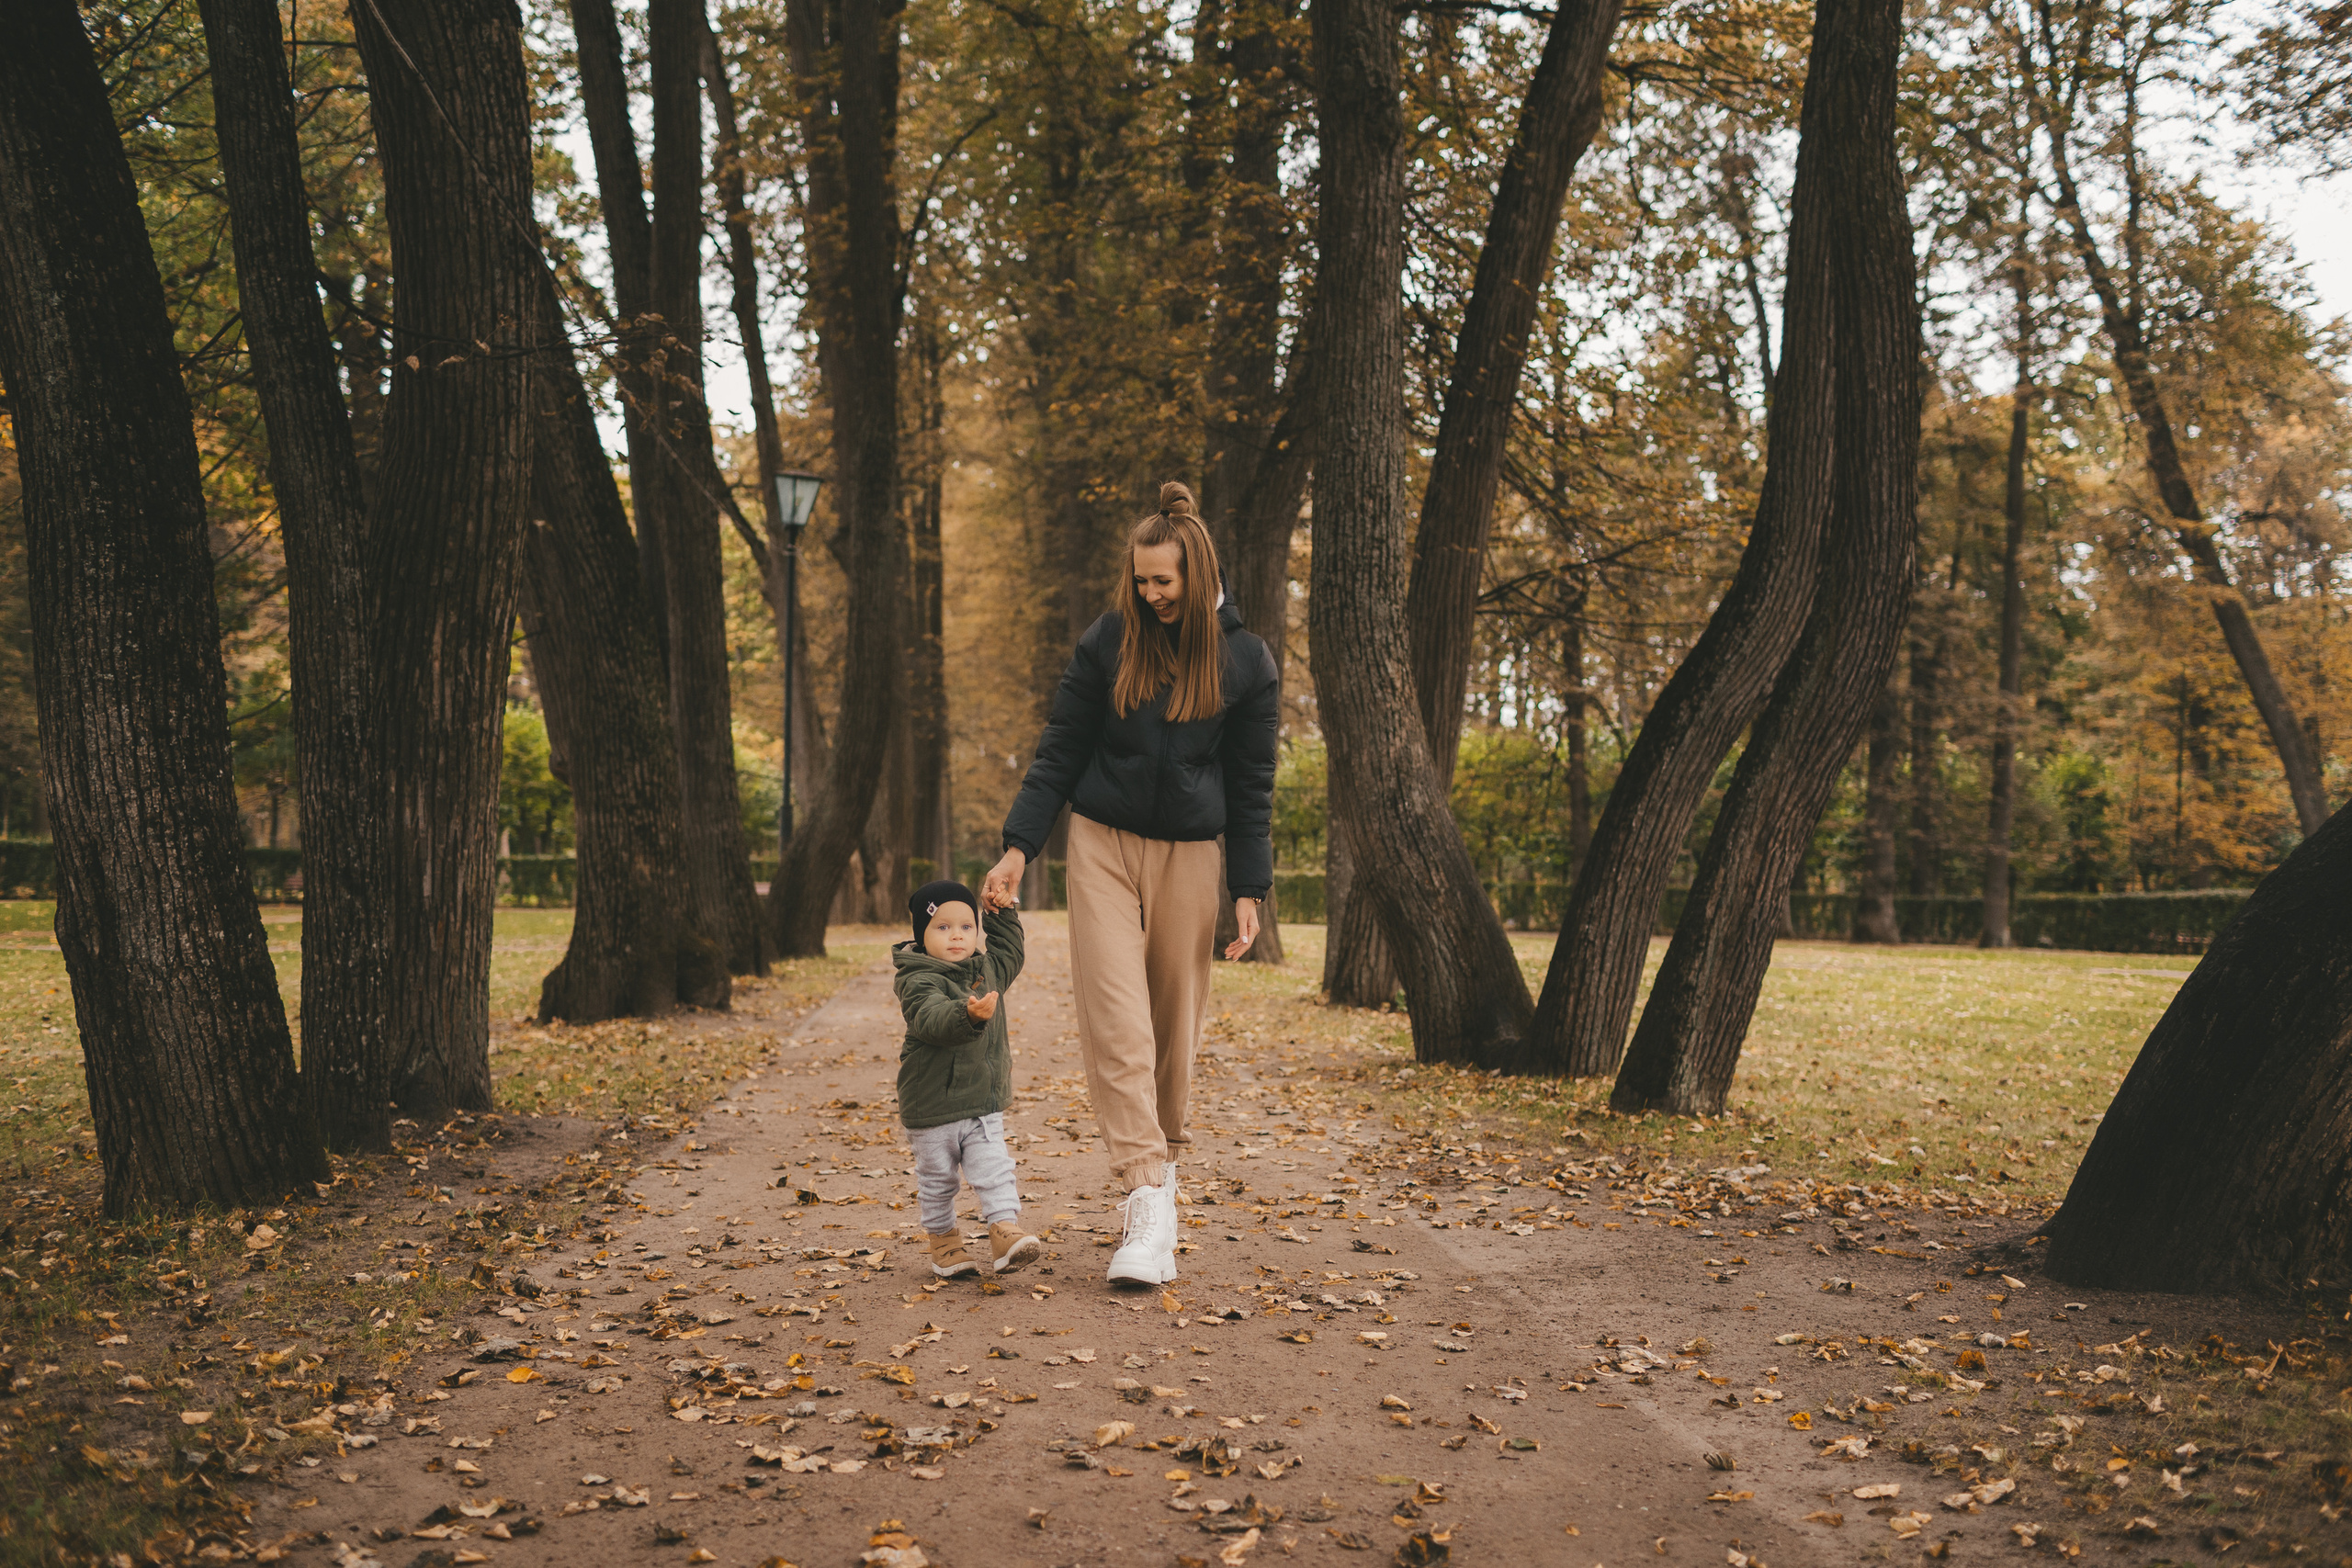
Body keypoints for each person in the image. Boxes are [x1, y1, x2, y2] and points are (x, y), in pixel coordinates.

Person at [982, 480, 1278, 1288]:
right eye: (1141, 580)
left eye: (1165, 582)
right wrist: (1018, 848)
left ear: (1197, 572)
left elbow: (1253, 783)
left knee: (1173, 1024)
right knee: (1116, 1018)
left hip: (1192, 853)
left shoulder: (1246, 661)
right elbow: (1060, 747)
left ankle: (1166, 1168)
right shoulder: (1110, 640)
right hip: (1103, 843)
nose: (1151, 595)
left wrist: (1247, 888)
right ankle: (1146, 1197)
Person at [892, 877, 1041, 1277]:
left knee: (995, 1168)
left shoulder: (987, 970)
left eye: (966, 927)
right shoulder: (917, 978)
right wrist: (967, 1014)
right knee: (939, 1182)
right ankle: (944, 1242)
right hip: (933, 1105)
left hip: (981, 1101)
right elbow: (930, 1017)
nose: (956, 936)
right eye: (942, 927)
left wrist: (1001, 912)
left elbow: (1010, 950)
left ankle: (1004, 1231)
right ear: (922, 937)